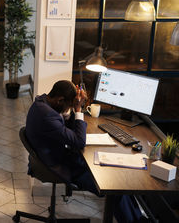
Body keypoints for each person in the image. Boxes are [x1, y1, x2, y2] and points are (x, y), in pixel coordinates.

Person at [25, 80, 144, 223]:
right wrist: (78, 110)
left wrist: (71, 110)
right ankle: (134, 220)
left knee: (122, 185)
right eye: (69, 105)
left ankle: (139, 218)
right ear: (60, 100)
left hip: (51, 157)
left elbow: (63, 128)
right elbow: (79, 141)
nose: (69, 109)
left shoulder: (42, 102)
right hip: (57, 165)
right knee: (115, 187)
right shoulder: (47, 115)